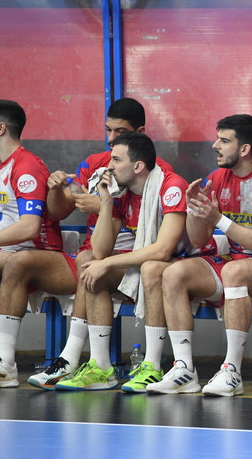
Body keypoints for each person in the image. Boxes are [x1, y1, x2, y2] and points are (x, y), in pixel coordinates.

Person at [146, 114, 252, 397]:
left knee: (234, 271)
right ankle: (184, 369)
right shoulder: (216, 178)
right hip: (239, 261)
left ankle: (232, 371)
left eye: (224, 140)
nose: (215, 145)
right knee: (173, 273)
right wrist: (195, 210)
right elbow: (199, 240)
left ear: (245, 149)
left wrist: (218, 218)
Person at [26, 98, 174, 390]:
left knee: (98, 262)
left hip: (145, 259)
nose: (111, 139)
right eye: (108, 130)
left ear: (140, 134)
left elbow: (162, 246)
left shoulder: (156, 175)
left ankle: (80, 359)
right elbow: (58, 212)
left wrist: (102, 207)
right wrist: (58, 189)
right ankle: (92, 364)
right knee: (85, 260)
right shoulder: (99, 167)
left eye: (120, 132)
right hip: (104, 254)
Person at [53, 132, 191, 391]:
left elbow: (163, 250)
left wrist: (107, 264)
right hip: (155, 262)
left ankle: (152, 366)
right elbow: (100, 250)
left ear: (138, 166)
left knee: (150, 267)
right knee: (90, 264)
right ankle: (101, 367)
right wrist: (106, 201)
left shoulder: (171, 185)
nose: (109, 166)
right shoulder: (122, 192)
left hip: (186, 264)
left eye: (116, 160)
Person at [0, 100, 67, 388]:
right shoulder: (3, 168)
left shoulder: (27, 166)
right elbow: (4, 223)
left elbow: (30, 227)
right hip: (11, 255)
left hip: (39, 254)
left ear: (0, 127)